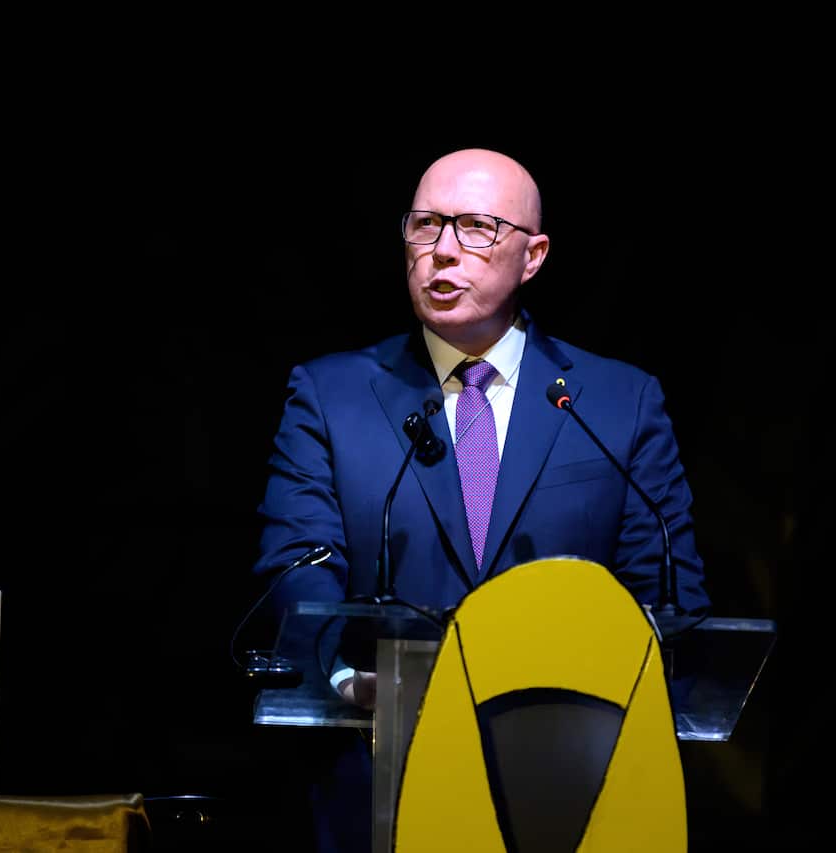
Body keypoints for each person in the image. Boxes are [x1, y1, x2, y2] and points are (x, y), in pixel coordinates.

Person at [251, 148, 711, 852]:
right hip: (380, 774)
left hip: (576, 781)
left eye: (475, 227)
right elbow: (295, 564)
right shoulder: (331, 395)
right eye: (425, 225)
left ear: (533, 256)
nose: (442, 250)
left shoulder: (618, 403)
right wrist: (341, 679)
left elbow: (668, 595)